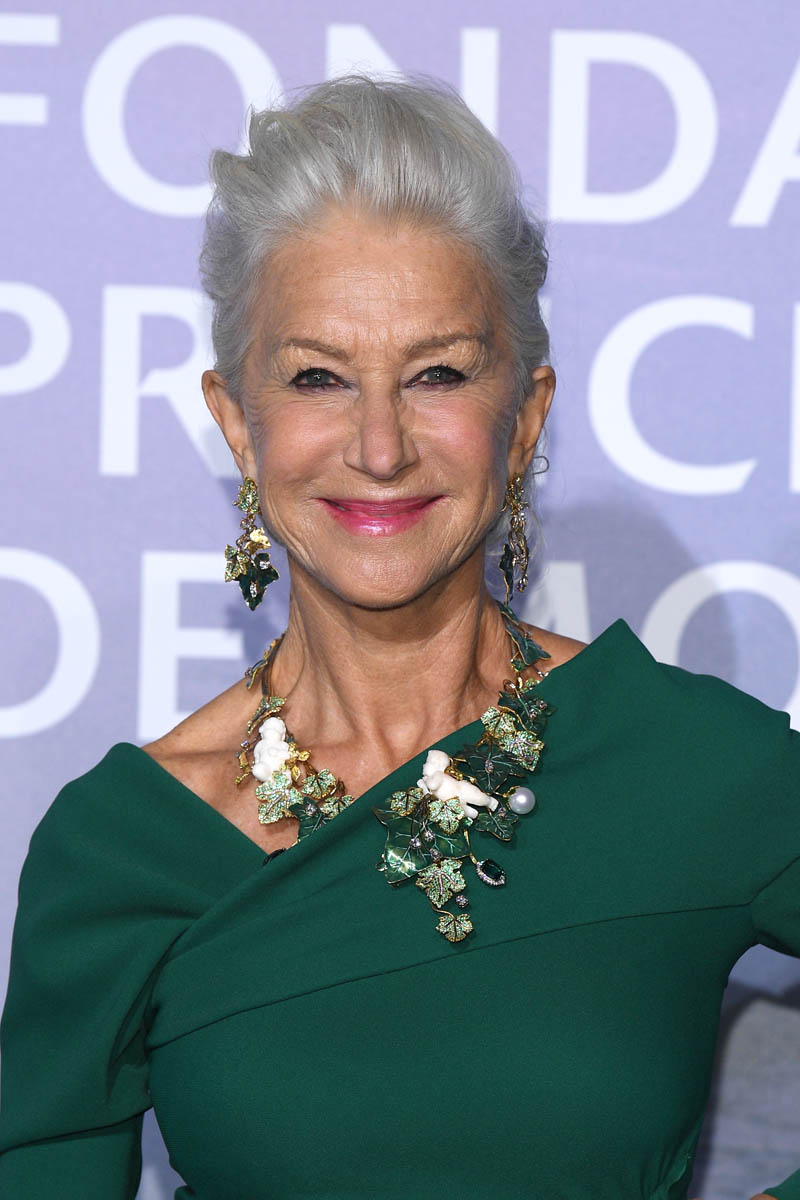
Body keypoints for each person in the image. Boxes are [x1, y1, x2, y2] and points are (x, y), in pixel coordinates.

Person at [0, 73, 796, 1200]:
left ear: (522, 419)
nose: (379, 447)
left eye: (437, 374)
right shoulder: (123, 850)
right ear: (238, 423)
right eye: (318, 377)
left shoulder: (684, 762)